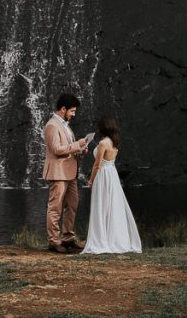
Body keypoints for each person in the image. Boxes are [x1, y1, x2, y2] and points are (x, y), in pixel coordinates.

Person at [82, 116, 141, 254]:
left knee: (101, 205)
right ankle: (112, 238)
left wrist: (90, 180)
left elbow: (97, 165)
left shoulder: (103, 143)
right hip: (112, 174)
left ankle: (102, 239)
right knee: (112, 205)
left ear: (103, 128)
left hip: (103, 175)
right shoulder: (114, 142)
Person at [42, 92, 89, 253]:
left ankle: (68, 238)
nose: (74, 114)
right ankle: (53, 241)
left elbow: (68, 149)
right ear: (63, 109)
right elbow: (56, 150)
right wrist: (77, 144)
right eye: (72, 111)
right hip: (58, 173)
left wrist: (80, 150)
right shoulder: (51, 126)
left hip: (70, 173)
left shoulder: (65, 126)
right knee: (55, 208)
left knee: (72, 205)